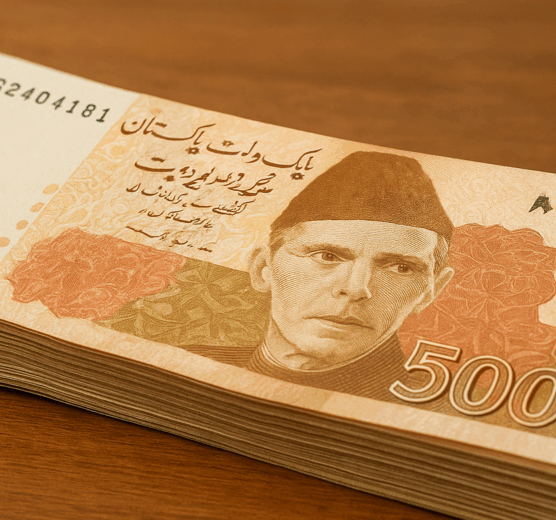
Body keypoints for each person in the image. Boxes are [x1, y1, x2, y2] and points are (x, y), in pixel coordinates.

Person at [191, 151, 455, 400]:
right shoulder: (188, 364)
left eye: (401, 267)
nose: (356, 288)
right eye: (327, 256)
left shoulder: (448, 415)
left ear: (432, 290)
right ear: (263, 268)